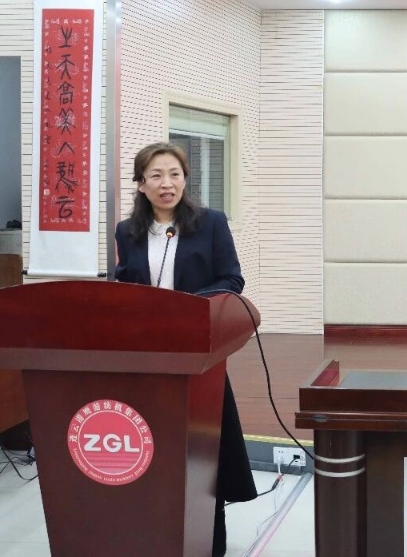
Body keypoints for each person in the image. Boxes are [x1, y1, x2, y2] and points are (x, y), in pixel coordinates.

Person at [114, 142, 256, 557]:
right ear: (141, 184)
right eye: (156, 175)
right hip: (148, 357)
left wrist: (187, 308)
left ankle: (210, 541)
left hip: (199, 352)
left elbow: (231, 280)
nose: (167, 183)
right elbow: (125, 284)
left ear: (185, 180)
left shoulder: (210, 223)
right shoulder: (127, 231)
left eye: (174, 174)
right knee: (155, 445)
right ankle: (154, 533)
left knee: (203, 449)